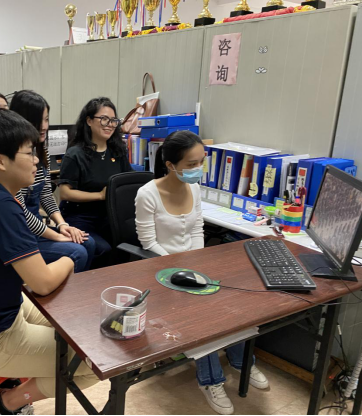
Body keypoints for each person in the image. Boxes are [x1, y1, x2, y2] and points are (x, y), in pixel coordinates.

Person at [0, 109, 99, 416]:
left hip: (2, 310)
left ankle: (19, 386)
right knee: (94, 361)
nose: (37, 161)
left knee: (82, 327)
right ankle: (6, 404)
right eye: (29, 153)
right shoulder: (1, 208)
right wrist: (70, 260)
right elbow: (42, 282)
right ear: (0, 161)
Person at [135, 131, 269, 416]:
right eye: (191, 164)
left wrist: (198, 263)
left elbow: (197, 229)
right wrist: (181, 269)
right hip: (162, 272)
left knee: (232, 303)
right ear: (170, 165)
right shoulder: (147, 194)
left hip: (195, 266)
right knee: (202, 315)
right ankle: (210, 381)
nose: (198, 169)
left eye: (201, 162)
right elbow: (148, 243)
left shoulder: (194, 188)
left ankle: (243, 363)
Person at [9, 90, 95, 272]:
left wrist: (62, 225)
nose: (44, 126)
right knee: (78, 252)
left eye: (46, 119)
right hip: (21, 235)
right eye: (37, 120)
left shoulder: (42, 151)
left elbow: (46, 194)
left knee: (88, 243)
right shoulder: (13, 158)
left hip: (38, 229)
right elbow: (22, 213)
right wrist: (56, 236)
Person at [59, 97, 132, 267]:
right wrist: (99, 195)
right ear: (89, 121)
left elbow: (127, 180)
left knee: (128, 243)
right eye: (104, 119)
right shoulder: (75, 154)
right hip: (80, 217)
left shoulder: (118, 151)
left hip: (110, 216)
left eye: (113, 120)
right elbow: (65, 193)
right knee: (103, 249)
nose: (110, 125)